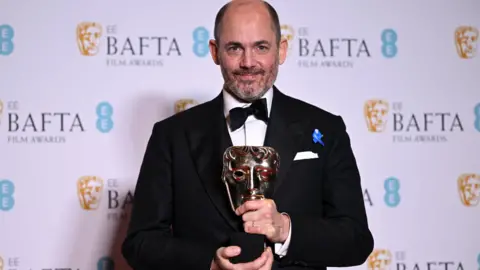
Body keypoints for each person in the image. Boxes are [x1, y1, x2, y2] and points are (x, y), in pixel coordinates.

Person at [121, 0, 374, 269]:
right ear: (215, 52)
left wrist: (286, 229)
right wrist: (208, 263)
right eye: (234, 48)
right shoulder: (171, 135)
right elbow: (140, 244)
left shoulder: (326, 128)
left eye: (261, 47)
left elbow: (356, 241)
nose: (248, 62)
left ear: (282, 50)